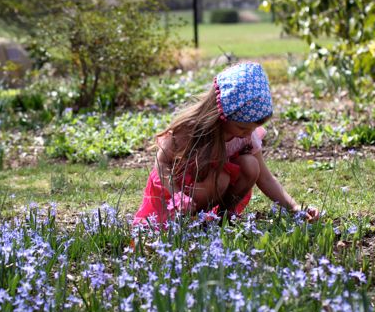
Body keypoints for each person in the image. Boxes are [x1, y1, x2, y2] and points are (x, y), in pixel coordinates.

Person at [133, 62, 319, 228]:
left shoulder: (246, 136)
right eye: (241, 127)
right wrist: (177, 194)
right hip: (178, 193)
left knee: (250, 165)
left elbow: (265, 178)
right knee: (220, 177)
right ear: (221, 115)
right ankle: (187, 222)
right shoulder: (189, 131)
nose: (248, 133)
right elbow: (161, 163)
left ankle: (220, 218)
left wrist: (295, 208)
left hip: (211, 187)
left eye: (253, 129)